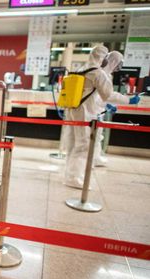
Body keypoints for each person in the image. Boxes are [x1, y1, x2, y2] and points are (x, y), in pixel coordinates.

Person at [63, 46, 140, 189]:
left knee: (75, 144)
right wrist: (129, 100)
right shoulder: (98, 73)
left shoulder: (83, 69)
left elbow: (92, 94)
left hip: (76, 110)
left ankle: (70, 173)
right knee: (84, 146)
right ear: (104, 58)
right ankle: (73, 178)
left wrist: (104, 106)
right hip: (86, 113)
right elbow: (108, 95)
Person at [93, 51, 125, 167]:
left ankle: (96, 158)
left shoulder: (108, 75)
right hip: (94, 110)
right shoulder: (101, 73)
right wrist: (127, 100)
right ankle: (92, 159)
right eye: (118, 63)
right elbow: (99, 95)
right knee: (94, 136)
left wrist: (106, 104)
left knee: (98, 136)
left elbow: (104, 95)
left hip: (99, 109)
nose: (119, 67)